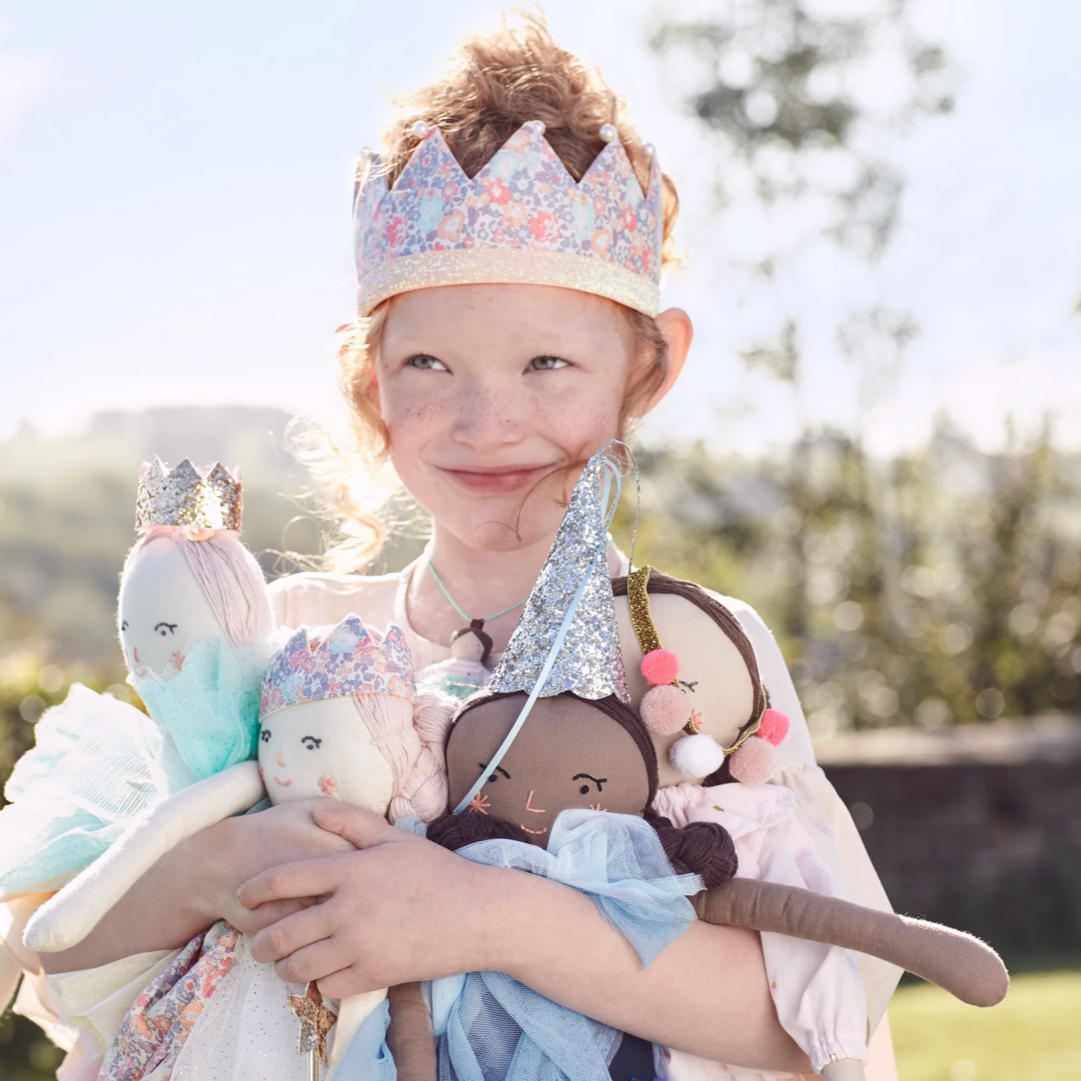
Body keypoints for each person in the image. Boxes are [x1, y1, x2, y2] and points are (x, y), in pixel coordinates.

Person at [40, 15, 900, 1078]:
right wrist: (216, 869)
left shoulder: (691, 654)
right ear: (371, 383)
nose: (486, 421)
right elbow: (58, 943)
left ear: (650, 368)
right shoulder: (281, 640)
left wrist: (485, 918)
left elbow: (815, 1011)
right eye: (431, 365)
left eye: (546, 362)